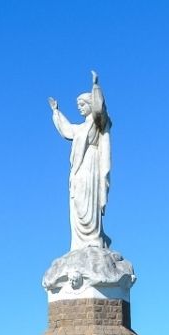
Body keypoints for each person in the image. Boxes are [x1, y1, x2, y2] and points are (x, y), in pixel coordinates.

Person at [49, 70, 112, 251]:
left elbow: (100, 110)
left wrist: (95, 87)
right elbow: (67, 130)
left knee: (89, 201)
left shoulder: (98, 122)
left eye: (82, 104)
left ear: (90, 104)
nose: (79, 108)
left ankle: (94, 238)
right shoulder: (80, 128)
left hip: (92, 165)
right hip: (78, 170)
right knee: (77, 203)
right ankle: (79, 244)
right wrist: (56, 112)